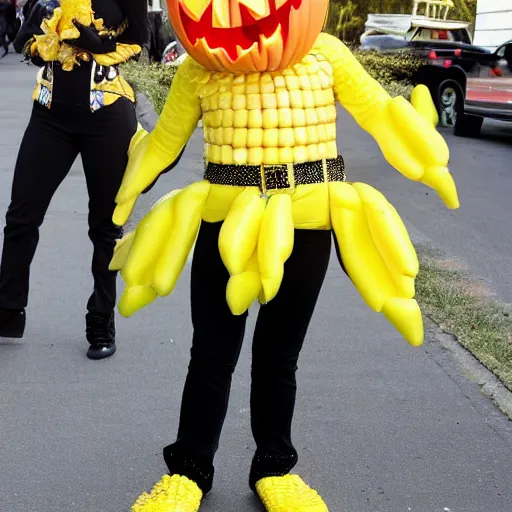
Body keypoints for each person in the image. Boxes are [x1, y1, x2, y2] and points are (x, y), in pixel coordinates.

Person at [110, 0, 460, 509]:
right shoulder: (198, 67)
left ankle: (274, 467)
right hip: (223, 217)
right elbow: (166, 141)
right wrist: (122, 200)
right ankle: (188, 470)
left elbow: (380, 114)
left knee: (279, 355)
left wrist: (427, 159)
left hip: (307, 219)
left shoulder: (328, 54)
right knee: (211, 353)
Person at [0, 0, 148, 360]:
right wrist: (42, 41)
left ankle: (101, 318)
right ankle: (7, 309)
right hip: (50, 116)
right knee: (21, 215)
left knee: (105, 227)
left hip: (107, 117)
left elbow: (141, 42)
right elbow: (25, 43)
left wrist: (102, 48)